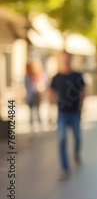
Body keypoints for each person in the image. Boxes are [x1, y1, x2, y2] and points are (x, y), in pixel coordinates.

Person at [49, 51, 86, 180]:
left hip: (75, 113)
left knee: (77, 139)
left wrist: (82, 106)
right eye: (63, 59)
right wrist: (51, 108)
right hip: (62, 114)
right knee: (62, 140)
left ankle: (76, 154)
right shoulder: (56, 77)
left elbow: (83, 91)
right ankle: (65, 168)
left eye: (68, 59)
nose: (66, 61)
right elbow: (51, 92)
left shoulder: (77, 75)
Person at [25, 60, 46, 132]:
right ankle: (32, 127)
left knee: (37, 112)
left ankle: (39, 126)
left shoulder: (37, 75)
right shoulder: (28, 77)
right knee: (32, 113)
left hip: (35, 97)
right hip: (31, 97)